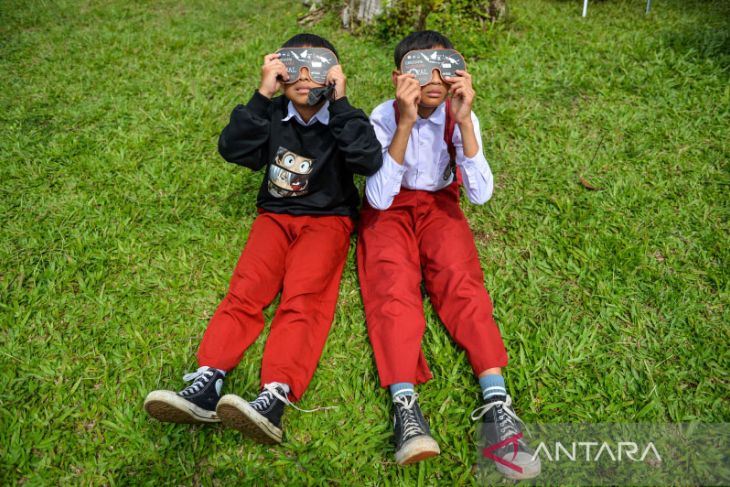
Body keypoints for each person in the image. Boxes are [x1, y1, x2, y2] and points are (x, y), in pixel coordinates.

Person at [144, 33, 382, 445]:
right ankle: (208, 381)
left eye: (318, 68)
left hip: (327, 220)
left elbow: (367, 159)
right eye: (294, 68)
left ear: (335, 75)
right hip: (274, 216)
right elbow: (233, 148)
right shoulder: (273, 113)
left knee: (303, 298)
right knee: (245, 291)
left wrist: (341, 104)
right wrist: (261, 94)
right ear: (278, 72)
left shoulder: (345, 118)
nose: (306, 77)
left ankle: (275, 395)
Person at [357, 30, 539, 478]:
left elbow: (480, 194)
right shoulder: (380, 117)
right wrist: (404, 122)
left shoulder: (461, 115)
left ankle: (497, 403)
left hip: (440, 202)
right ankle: (406, 406)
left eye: (445, 67)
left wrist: (465, 120)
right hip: (393, 204)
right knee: (392, 287)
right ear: (399, 77)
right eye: (420, 69)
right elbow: (379, 198)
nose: (433, 79)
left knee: (462, 284)